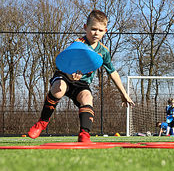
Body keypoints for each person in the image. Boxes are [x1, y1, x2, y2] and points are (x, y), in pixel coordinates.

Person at [28, 10, 134, 142]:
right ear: (85, 27)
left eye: (100, 30)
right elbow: (64, 65)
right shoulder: (77, 44)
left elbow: (112, 72)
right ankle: (42, 122)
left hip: (81, 83)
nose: (96, 33)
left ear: (105, 31)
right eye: (93, 29)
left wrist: (123, 93)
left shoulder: (103, 51)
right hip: (65, 75)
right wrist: (70, 75)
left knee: (87, 97)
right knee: (58, 89)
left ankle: (84, 134)